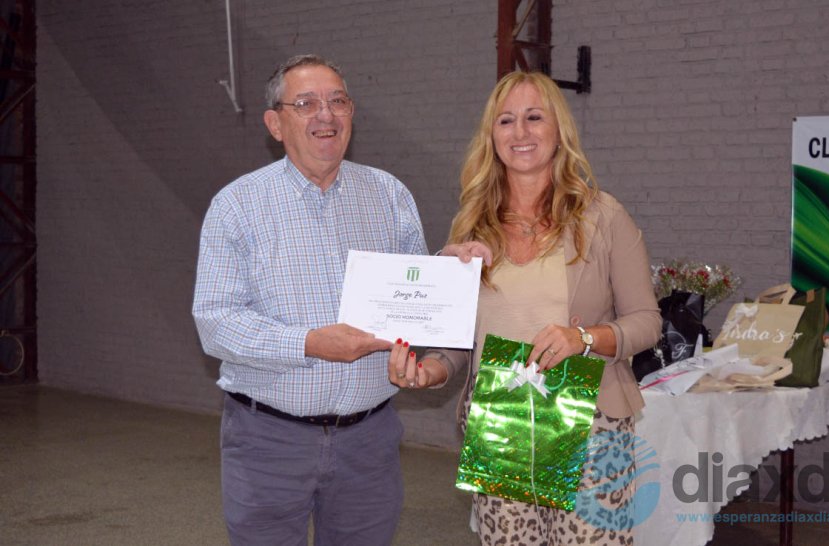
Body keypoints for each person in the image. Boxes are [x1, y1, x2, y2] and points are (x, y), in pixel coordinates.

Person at [388, 71, 662, 545]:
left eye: (534, 117)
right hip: (500, 414)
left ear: (559, 130)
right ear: (491, 137)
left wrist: (585, 338)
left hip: (589, 418)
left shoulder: (604, 215)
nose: (520, 133)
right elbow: (460, 339)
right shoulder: (472, 225)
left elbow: (647, 321)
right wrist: (430, 370)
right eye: (506, 121)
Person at [192, 54, 429, 546]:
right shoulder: (237, 205)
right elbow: (215, 322)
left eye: (338, 101)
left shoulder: (389, 196)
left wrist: (455, 267)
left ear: (352, 113)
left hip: (369, 443)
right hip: (268, 441)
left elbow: (418, 298)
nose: (327, 114)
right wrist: (309, 343)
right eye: (306, 103)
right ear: (275, 124)